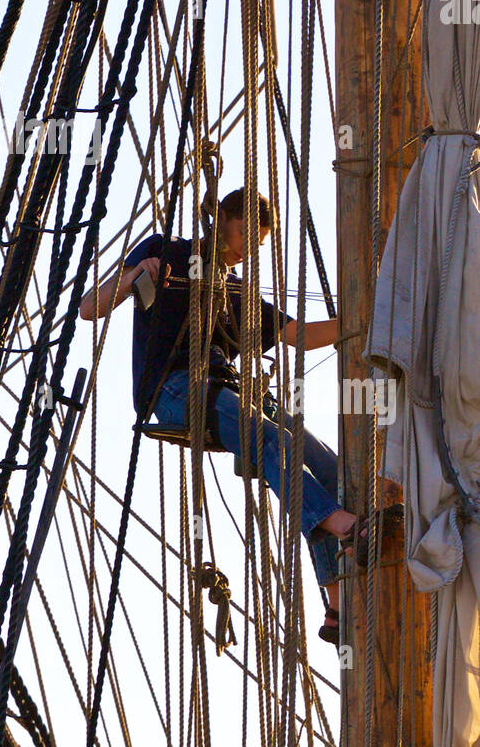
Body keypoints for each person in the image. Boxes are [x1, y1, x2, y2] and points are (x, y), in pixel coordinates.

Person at [79, 188, 385, 646]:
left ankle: (337, 604)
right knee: (269, 440)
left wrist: (365, 321)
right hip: (175, 390)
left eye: (257, 244)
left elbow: (296, 333)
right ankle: (343, 525)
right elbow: (89, 309)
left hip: (230, 391)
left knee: (325, 463)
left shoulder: (236, 290)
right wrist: (137, 275)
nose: (247, 249)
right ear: (221, 217)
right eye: (246, 233)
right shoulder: (167, 252)